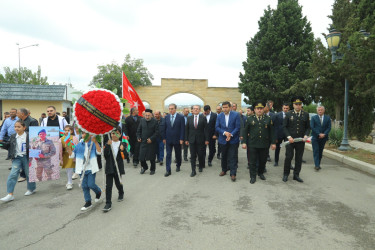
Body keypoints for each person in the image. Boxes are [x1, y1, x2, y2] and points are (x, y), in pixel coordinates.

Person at [0, 120, 36, 202]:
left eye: (19, 127)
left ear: (24, 127)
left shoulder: (29, 135)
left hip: (27, 157)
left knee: (29, 173)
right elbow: (9, 145)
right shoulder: (13, 136)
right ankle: (10, 194)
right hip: (16, 158)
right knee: (13, 174)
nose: (16, 128)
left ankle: (31, 189)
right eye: (15, 127)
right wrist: (3, 145)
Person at [242, 100, 276, 184]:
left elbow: (272, 132)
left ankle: (260, 173)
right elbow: (245, 131)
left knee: (262, 160)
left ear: (263, 109)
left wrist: (273, 143)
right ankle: (253, 176)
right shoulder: (249, 119)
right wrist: (244, 142)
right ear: (254, 110)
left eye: (261, 108)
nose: (259, 110)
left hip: (264, 144)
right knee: (252, 161)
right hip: (252, 144)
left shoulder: (268, 119)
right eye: (258, 109)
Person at [67, 132, 102, 211]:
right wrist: (68, 149)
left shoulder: (93, 144)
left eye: (86, 133)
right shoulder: (79, 145)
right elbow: (72, 155)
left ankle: (98, 192)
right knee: (84, 186)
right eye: (82, 133)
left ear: (90, 134)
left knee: (91, 184)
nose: (84, 135)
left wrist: (96, 142)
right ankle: (88, 202)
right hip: (82, 169)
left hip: (91, 168)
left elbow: (99, 152)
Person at [282, 97, 310, 183]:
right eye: (296, 104)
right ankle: (286, 174)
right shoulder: (288, 114)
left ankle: (296, 175)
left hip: (300, 141)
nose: (298, 106)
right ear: (293, 105)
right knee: (289, 157)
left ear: (301, 105)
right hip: (291, 140)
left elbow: (308, 127)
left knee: (299, 158)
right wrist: (288, 137)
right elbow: (284, 127)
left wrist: (306, 135)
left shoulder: (305, 114)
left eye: (299, 104)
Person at [215, 101, 241, 182]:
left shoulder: (236, 115)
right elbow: (217, 127)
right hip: (223, 140)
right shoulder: (219, 116)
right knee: (224, 156)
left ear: (230, 107)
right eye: (223, 107)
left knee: (233, 156)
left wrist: (230, 135)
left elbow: (237, 127)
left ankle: (233, 173)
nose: (225, 109)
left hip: (233, 140)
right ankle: (224, 170)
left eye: (226, 107)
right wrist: (225, 133)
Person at [102, 127, 126, 212]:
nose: (113, 135)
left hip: (118, 167)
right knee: (108, 186)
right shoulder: (108, 143)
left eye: (116, 133)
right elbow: (105, 155)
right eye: (112, 133)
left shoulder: (122, 144)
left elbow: (125, 156)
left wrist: (122, 150)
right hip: (109, 167)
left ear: (119, 134)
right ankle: (108, 203)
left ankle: (121, 192)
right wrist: (108, 145)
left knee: (118, 183)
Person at [185, 105, 209, 177]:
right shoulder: (189, 118)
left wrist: (207, 139)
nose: (195, 110)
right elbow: (187, 129)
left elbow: (206, 130)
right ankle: (193, 170)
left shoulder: (203, 118)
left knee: (200, 154)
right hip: (192, 140)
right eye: (194, 109)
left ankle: (201, 166)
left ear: (199, 110)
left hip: (201, 140)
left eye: (197, 109)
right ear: (192, 110)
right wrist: (186, 139)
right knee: (192, 156)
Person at [163, 104, 185, 177]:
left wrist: (181, 138)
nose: (170, 110)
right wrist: (164, 138)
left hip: (177, 140)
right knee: (168, 155)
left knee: (178, 154)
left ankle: (178, 165)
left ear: (175, 109)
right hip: (168, 140)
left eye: (172, 108)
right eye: (169, 109)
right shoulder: (166, 117)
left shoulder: (181, 117)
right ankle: (168, 170)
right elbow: (164, 128)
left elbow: (182, 129)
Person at [137, 109, 159, 175]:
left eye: (148, 115)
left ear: (151, 115)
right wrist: (138, 137)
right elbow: (139, 130)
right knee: (141, 157)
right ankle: (144, 167)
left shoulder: (155, 121)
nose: (147, 117)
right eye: (146, 115)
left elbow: (157, 132)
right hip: (143, 141)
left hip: (151, 142)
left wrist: (151, 139)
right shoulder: (142, 120)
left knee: (152, 157)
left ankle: (152, 169)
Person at [310, 106, 331, 171]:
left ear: (324, 110)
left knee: (320, 151)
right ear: (317, 111)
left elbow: (329, 127)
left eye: (321, 110)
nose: (320, 111)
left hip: (324, 138)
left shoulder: (327, 118)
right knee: (316, 150)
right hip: (315, 137)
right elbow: (312, 127)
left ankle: (318, 164)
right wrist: (319, 134)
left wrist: (324, 134)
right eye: (319, 110)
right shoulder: (313, 118)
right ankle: (317, 165)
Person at [59, 125, 79, 190]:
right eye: (65, 130)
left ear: (72, 131)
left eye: (69, 130)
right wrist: (61, 158)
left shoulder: (74, 138)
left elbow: (77, 147)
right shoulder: (61, 139)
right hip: (65, 156)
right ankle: (69, 181)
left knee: (73, 169)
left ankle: (71, 182)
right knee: (68, 169)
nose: (67, 132)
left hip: (72, 155)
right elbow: (60, 150)